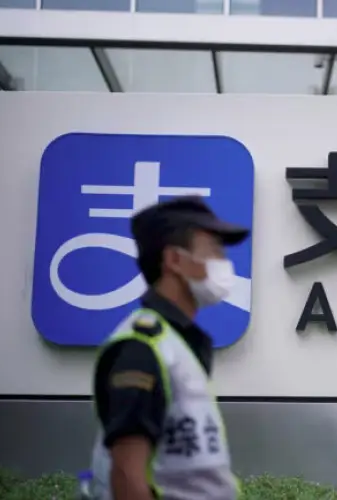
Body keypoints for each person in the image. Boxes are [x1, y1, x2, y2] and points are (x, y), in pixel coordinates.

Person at [89, 196, 249, 500]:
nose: (223, 262)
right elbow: (127, 475)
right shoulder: (140, 348)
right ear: (174, 260)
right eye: (213, 250)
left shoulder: (177, 343)